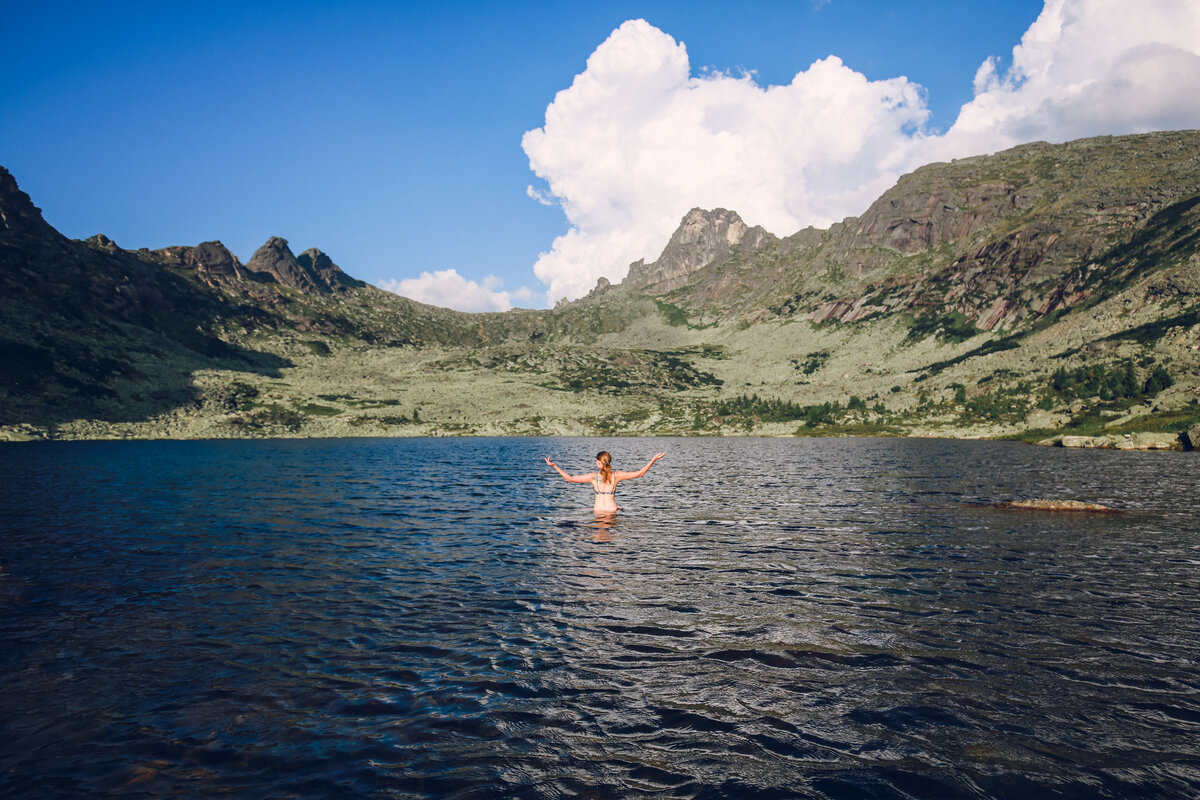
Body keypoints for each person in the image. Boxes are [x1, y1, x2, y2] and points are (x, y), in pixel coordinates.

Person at [545, 450, 665, 515]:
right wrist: (653, 459)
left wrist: (554, 466)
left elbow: (569, 479)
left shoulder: (593, 477)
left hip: (598, 511)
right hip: (612, 510)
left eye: (596, 462)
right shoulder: (616, 475)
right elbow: (640, 473)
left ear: (599, 463)